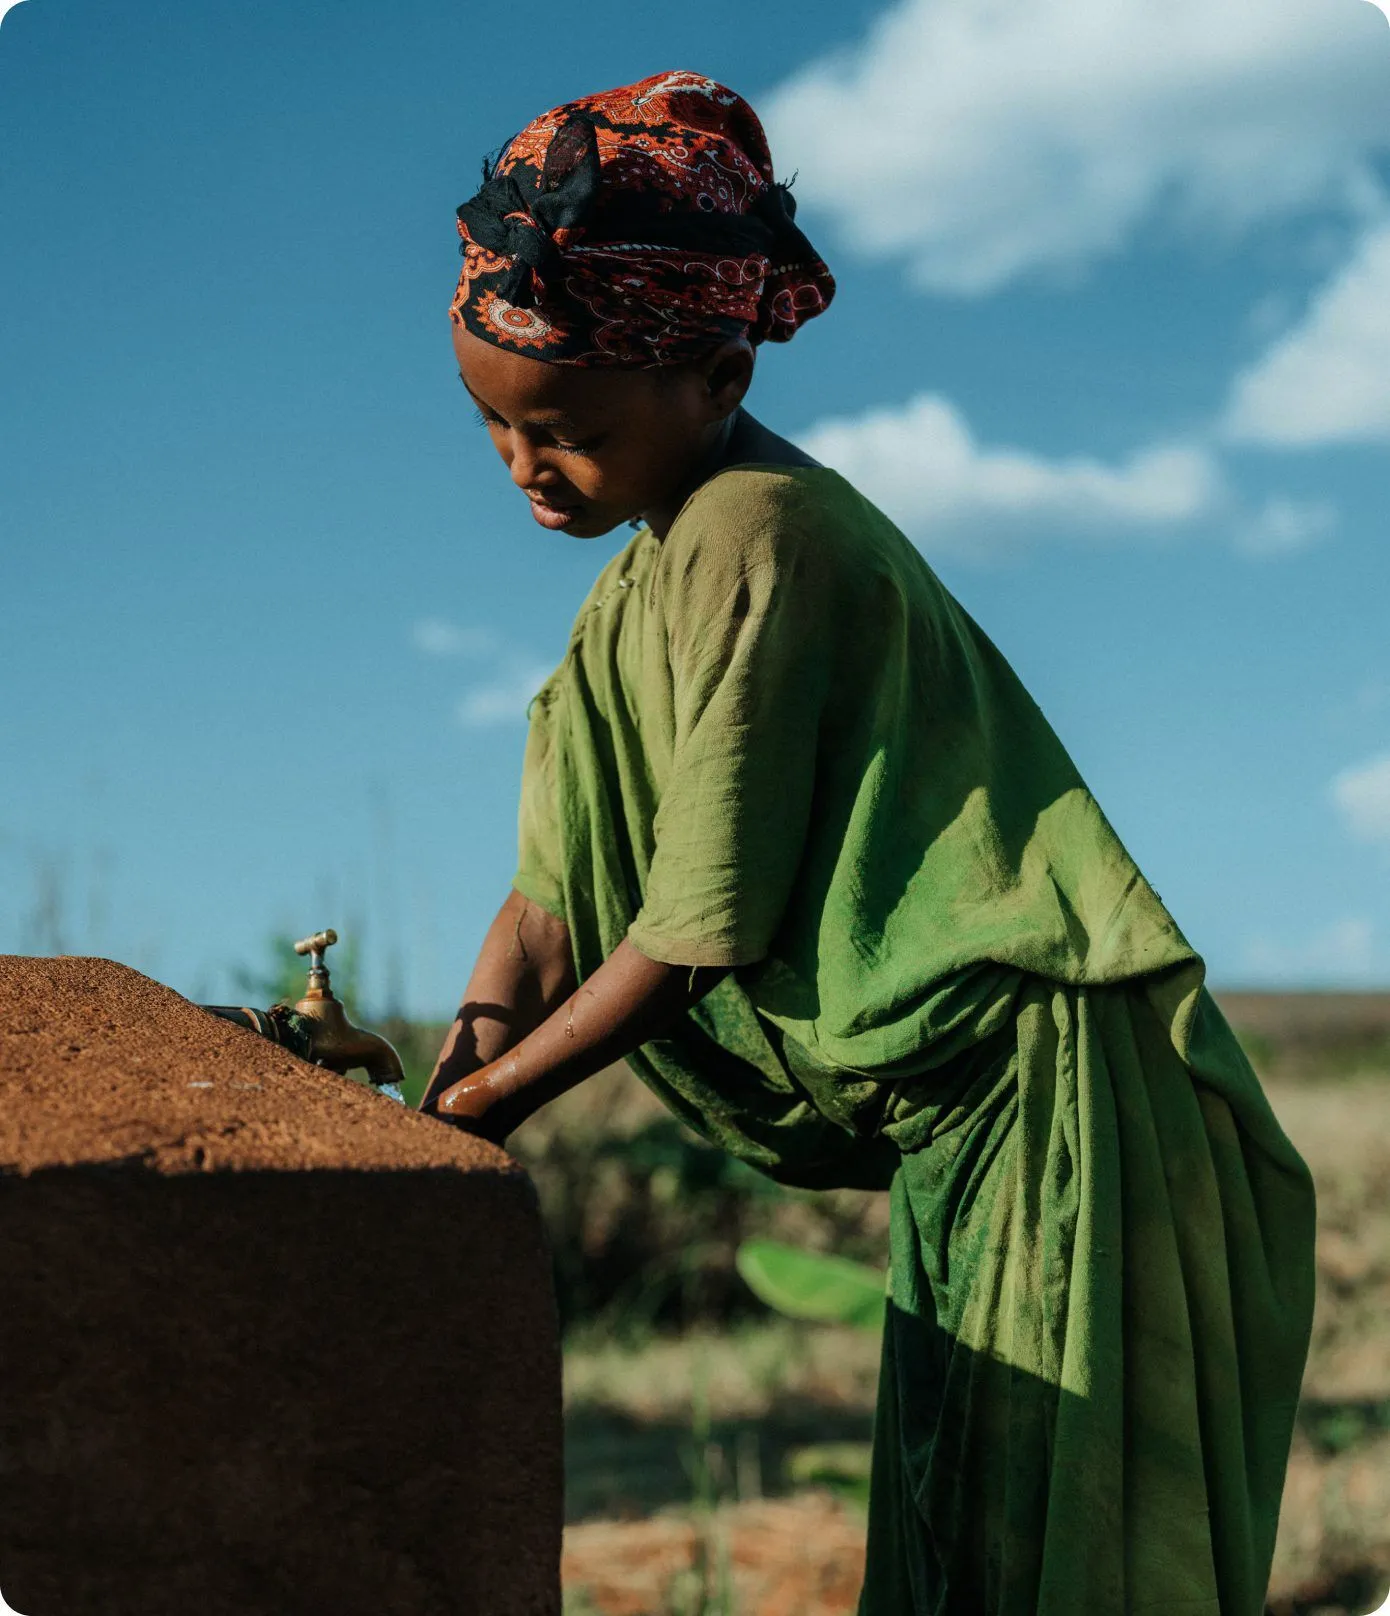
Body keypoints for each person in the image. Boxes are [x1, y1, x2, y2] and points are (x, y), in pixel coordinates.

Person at [418, 69, 1316, 1616]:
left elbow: (694, 925)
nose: (523, 467)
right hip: (964, 1123)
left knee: (1034, 1565)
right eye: (497, 428)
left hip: (1049, 1094)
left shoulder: (760, 539)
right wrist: (451, 1069)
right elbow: (552, 901)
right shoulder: (631, 598)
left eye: (562, 427)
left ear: (709, 374)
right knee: (961, 1545)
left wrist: (489, 1106)